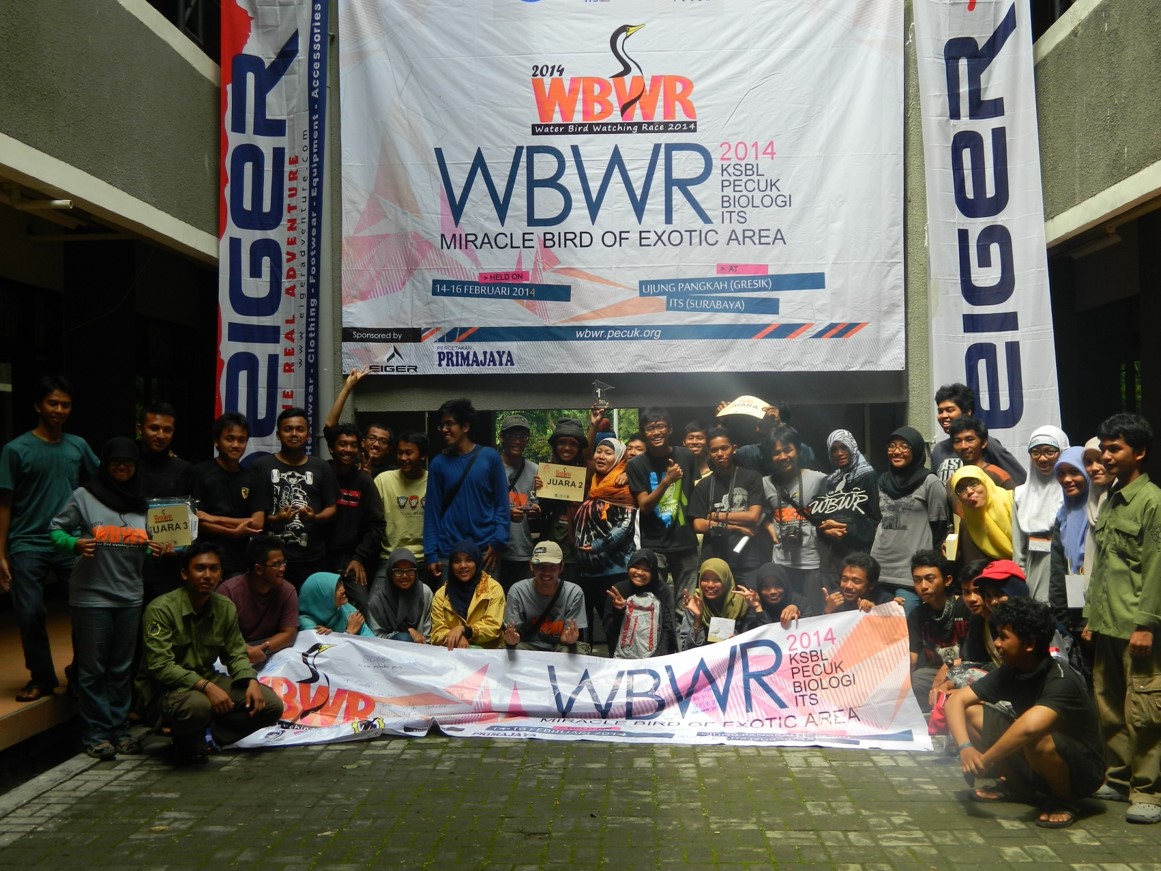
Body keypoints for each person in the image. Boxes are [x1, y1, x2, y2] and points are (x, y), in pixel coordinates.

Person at [49, 437, 167, 758]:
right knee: (93, 672)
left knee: (120, 670)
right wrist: (74, 544)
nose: (122, 466)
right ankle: (96, 734)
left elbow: (151, 546)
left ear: (136, 466)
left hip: (129, 597)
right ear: (105, 464)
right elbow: (55, 531)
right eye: (115, 461)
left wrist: (157, 550)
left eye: (128, 462)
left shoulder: (143, 504)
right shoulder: (84, 496)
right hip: (91, 598)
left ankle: (120, 730)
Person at [946, 597, 1104, 828]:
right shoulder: (1012, 669)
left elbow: (1030, 727)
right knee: (972, 714)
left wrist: (984, 761)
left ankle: (1063, 801)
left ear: (1029, 644)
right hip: (1034, 757)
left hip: (1083, 772)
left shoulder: (1061, 679)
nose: (996, 643)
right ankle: (1018, 789)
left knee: (1038, 740)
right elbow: (956, 701)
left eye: (1003, 637)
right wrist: (965, 748)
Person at [136, 542, 283, 765]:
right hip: (164, 688)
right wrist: (207, 687)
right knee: (198, 706)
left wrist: (250, 679)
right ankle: (185, 740)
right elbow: (161, 666)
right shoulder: (161, 609)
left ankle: (206, 737)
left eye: (214, 569)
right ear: (185, 574)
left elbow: (235, 653)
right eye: (200, 568)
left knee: (270, 705)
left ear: (221, 574)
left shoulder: (224, 607)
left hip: (206, 677)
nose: (207, 575)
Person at [0, 375, 99, 701]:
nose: (58, 410)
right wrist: (1, 553)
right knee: (29, 612)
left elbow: (105, 479)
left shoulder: (78, 446)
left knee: (87, 610)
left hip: (70, 540)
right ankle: (41, 678)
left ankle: (79, 673)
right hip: (27, 542)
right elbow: (4, 505)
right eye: (52, 403)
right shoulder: (15, 450)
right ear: (38, 406)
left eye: (65, 405)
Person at [1084, 413, 1161, 822]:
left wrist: (1146, 624)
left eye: (1115, 449)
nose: (1106, 456)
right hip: (1108, 623)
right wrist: (1091, 616)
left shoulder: (1152, 502)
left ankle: (1148, 790)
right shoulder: (1111, 497)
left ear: (1140, 452)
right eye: (1104, 448)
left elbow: (1156, 567)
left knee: (1145, 711)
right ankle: (1118, 777)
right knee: (1110, 706)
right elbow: (1104, 565)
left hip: (1137, 627)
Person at [423, 398, 509, 586]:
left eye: (449, 424)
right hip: (448, 552)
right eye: (441, 425)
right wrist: (430, 553)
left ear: (466, 426)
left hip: (485, 551)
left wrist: (498, 541)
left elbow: (502, 505)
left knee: (487, 603)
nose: (444, 429)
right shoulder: (438, 464)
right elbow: (432, 512)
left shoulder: (490, 458)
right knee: (449, 605)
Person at [251, 407, 339, 589]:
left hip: (312, 558)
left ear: (308, 434)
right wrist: (276, 519)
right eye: (288, 429)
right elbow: (255, 516)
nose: (294, 434)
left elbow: (332, 508)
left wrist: (314, 517)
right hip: (272, 561)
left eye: (300, 429)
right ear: (278, 434)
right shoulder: (261, 466)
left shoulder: (321, 467)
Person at [871, 426, 948, 612]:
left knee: (906, 624)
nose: (896, 451)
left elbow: (939, 526)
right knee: (880, 626)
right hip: (880, 566)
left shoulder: (930, 482)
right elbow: (877, 519)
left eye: (904, 446)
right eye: (892, 446)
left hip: (912, 571)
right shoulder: (882, 481)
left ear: (916, 449)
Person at [627, 407, 699, 607]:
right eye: (650, 428)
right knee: (656, 604)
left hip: (685, 542)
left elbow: (693, 493)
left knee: (686, 604)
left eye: (660, 426)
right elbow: (645, 506)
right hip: (654, 544)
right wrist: (667, 480)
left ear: (670, 429)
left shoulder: (686, 455)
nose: (656, 432)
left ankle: (685, 630)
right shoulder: (636, 465)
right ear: (644, 433)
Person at [574, 437, 638, 635]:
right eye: (599, 451)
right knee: (583, 627)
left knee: (614, 627)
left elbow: (626, 524)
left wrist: (598, 545)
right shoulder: (593, 484)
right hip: (587, 572)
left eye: (608, 453)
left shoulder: (623, 485)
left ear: (618, 458)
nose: (601, 456)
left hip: (613, 572)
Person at [762, 424, 828, 613]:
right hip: (781, 562)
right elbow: (755, 512)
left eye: (787, 450)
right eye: (776, 453)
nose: (783, 457)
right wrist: (768, 526)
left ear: (797, 450)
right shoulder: (765, 483)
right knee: (785, 615)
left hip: (812, 561)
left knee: (813, 613)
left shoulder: (818, 479)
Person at [135, 402, 196, 601]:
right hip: (130, 562)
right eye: (154, 428)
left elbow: (192, 518)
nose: (160, 435)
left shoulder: (184, 470)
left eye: (167, 430)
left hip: (170, 564)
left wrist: (180, 546)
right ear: (140, 429)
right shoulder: (127, 466)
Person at [689, 426, 766, 583]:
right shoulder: (703, 485)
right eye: (714, 450)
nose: (719, 454)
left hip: (747, 558)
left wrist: (716, 516)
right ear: (708, 453)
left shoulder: (751, 477)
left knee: (750, 598)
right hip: (714, 558)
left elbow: (753, 516)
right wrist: (735, 527)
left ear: (734, 449)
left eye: (724, 448)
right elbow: (698, 524)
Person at [191, 412, 262, 578]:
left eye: (241, 440)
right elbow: (195, 522)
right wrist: (233, 531)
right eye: (229, 439)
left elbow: (257, 523)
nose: (236, 445)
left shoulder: (253, 478)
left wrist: (214, 518)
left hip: (239, 562)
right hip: (204, 560)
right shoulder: (199, 473)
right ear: (217, 441)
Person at [323, 422, 385, 609]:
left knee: (362, 603)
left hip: (350, 557)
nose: (348, 450)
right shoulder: (320, 473)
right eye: (343, 444)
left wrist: (359, 558)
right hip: (319, 555)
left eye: (353, 445)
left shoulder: (364, 481)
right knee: (320, 603)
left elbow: (377, 525)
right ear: (331, 448)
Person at [217, 536, 299, 667]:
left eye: (284, 562)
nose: (282, 569)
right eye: (276, 564)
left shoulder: (287, 591)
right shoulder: (228, 592)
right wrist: (246, 650)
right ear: (258, 569)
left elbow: (289, 633)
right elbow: (219, 635)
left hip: (269, 651)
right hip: (234, 651)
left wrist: (262, 649)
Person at [906, 550, 971, 712]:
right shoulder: (916, 615)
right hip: (934, 674)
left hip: (966, 667)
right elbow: (912, 657)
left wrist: (948, 666)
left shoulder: (965, 606)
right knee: (913, 681)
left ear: (947, 580)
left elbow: (976, 656)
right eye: (917, 580)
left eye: (929, 579)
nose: (923, 586)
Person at [1012, 426, 1070, 605]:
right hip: (1035, 572)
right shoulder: (1021, 494)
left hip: (1069, 571)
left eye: (1049, 452)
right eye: (1035, 452)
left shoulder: (1072, 490)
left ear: (1063, 451)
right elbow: (1018, 547)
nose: (1042, 458)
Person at [812, 429, 881, 576]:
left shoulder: (867, 477)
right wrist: (825, 530)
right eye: (834, 449)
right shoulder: (828, 482)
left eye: (844, 447)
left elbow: (875, 522)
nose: (839, 453)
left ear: (852, 447)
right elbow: (817, 520)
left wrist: (846, 529)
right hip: (832, 560)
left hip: (858, 558)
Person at [930, 383, 1027, 485]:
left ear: (967, 412)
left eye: (949, 410)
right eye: (940, 411)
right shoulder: (938, 450)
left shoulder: (987, 443)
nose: (943, 416)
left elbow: (1019, 480)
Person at [502, 541, 586, 652]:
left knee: (575, 651)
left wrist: (569, 639)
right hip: (528, 645)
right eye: (540, 566)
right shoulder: (517, 591)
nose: (546, 572)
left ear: (561, 567)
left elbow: (566, 637)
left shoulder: (574, 592)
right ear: (531, 566)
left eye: (552, 566)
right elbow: (513, 633)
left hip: (559, 646)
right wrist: (511, 639)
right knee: (512, 651)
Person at [533, 418, 588, 584]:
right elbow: (543, 510)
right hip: (551, 538)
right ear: (555, 446)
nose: (567, 448)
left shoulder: (589, 472)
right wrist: (541, 491)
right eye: (562, 443)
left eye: (573, 444)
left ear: (579, 448)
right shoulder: (546, 471)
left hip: (577, 544)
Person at [373, 432, 429, 585]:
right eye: (400, 452)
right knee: (375, 600)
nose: (403, 458)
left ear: (423, 455)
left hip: (422, 558)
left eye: (408, 453)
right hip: (390, 557)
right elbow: (371, 520)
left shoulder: (432, 481)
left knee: (426, 598)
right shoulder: (384, 480)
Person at [429, 539, 505, 650]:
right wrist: (456, 638)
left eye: (469, 560)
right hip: (452, 652)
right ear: (451, 565)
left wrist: (465, 631)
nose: (463, 565)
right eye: (457, 561)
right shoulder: (442, 594)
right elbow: (437, 632)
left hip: (488, 652)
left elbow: (494, 626)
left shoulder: (493, 588)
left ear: (477, 562)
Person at [603, 548, 677, 659]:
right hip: (623, 658)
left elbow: (668, 629)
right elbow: (609, 631)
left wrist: (660, 658)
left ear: (653, 573)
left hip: (656, 658)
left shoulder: (662, 591)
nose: (640, 573)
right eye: (636, 567)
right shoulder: (619, 590)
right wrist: (619, 611)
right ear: (629, 567)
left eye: (646, 569)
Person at [1049, 446, 1091, 625]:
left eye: (1074, 471)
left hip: (1101, 612)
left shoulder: (1101, 511)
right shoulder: (1063, 514)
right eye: (1061, 473)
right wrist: (1060, 613)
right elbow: (1058, 566)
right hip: (1072, 610)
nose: (1066, 479)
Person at [497, 414, 540, 590]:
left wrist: (536, 510)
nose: (517, 441)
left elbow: (536, 505)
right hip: (495, 551)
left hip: (523, 550)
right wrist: (506, 513)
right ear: (502, 437)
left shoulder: (535, 470)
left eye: (522, 436)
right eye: (512, 435)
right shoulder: (490, 467)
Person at [678, 558, 753, 649]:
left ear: (726, 580)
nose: (710, 585)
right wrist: (698, 619)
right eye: (705, 579)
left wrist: (739, 641)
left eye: (717, 580)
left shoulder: (741, 604)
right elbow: (685, 649)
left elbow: (755, 646)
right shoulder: (695, 602)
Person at [950, 466, 1014, 565]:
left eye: (973, 484)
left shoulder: (1013, 501)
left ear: (985, 483)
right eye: (960, 489)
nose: (969, 491)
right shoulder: (967, 523)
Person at [366, 547, 432, 642]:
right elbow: (375, 637)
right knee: (404, 638)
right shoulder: (377, 600)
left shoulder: (424, 592)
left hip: (421, 646)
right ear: (390, 573)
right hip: (388, 648)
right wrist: (406, 634)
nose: (404, 576)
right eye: (398, 571)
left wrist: (420, 640)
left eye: (410, 571)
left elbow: (428, 633)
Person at [738, 562, 812, 631]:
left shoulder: (800, 602)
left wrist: (796, 611)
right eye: (765, 586)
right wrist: (758, 608)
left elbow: (810, 631)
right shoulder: (754, 606)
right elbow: (764, 636)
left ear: (785, 584)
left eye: (778, 585)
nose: (772, 591)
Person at [297, 571, 373, 636]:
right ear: (322, 597)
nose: (343, 590)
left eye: (341, 584)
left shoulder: (345, 608)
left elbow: (371, 641)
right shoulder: (305, 621)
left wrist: (332, 638)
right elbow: (320, 647)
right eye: (336, 589)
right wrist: (349, 633)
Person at [949, 418, 1015, 490]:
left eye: (969, 439)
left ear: (983, 443)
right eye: (957, 441)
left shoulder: (999, 476)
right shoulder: (952, 480)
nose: (963, 446)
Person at [821, 552, 894, 614]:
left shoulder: (886, 601)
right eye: (844, 579)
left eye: (856, 582)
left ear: (871, 585)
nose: (848, 586)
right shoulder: (834, 599)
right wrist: (827, 610)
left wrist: (875, 611)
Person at [1082, 436, 1113, 577]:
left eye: (1100, 460)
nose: (1094, 468)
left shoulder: (1122, 500)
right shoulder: (1091, 499)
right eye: (1088, 462)